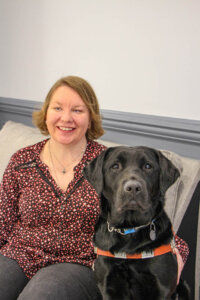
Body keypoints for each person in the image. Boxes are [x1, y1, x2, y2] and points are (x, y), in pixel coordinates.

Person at [0, 75, 188, 299]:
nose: (66, 118)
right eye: (58, 108)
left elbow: (147, 220)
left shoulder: (110, 165)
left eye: (78, 110)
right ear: (46, 113)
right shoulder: (23, 160)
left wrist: (177, 251)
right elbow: (3, 220)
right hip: (19, 253)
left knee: (42, 294)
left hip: (79, 263)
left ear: (90, 118)